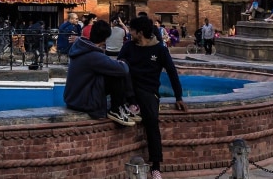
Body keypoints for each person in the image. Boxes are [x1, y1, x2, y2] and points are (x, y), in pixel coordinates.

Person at [119, 16, 188, 179]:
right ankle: (132, 103)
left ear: (140, 33)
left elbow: (172, 72)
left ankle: (155, 166)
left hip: (149, 91)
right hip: (129, 90)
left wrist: (179, 96)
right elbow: (117, 67)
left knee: (152, 123)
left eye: (132, 31)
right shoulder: (128, 47)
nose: (130, 33)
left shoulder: (159, 50)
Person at [63, 20, 137, 126]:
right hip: (84, 102)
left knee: (115, 68)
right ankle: (117, 108)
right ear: (106, 39)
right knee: (120, 70)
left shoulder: (81, 48)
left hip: (73, 99)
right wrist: (122, 63)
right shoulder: (93, 56)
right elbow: (123, 69)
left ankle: (125, 105)